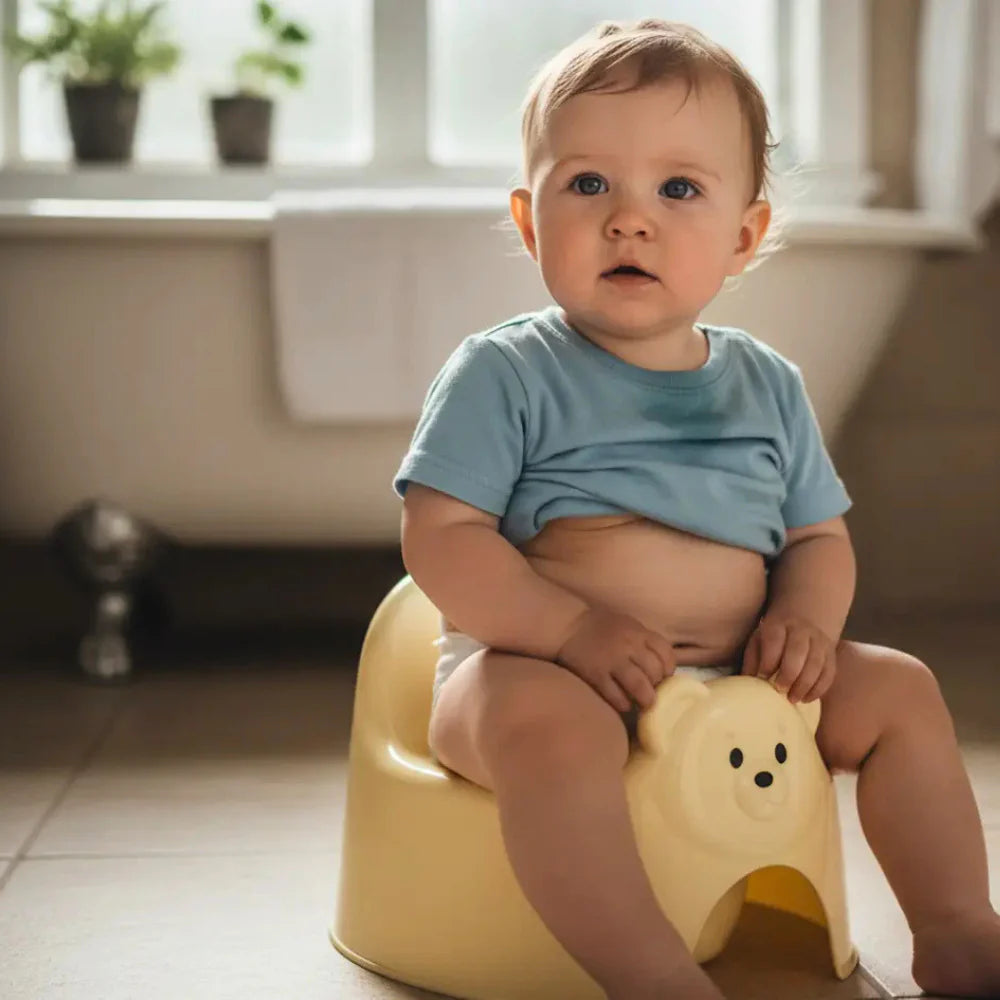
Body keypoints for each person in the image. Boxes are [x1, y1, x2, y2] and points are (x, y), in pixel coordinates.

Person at [393, 18, 1000, 1000]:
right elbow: (441, 536)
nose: (629, 218)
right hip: (542, 669)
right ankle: (651, 974)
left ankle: (959, 930)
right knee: (545, 725)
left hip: (742, 678)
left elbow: (815, 537)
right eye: (587, 184)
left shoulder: (767, 384)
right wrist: (569, 628)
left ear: (744, 236)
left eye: (678, 189)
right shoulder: (505, 373)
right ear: (527, 219)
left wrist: (805, 623)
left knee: (900, 690)